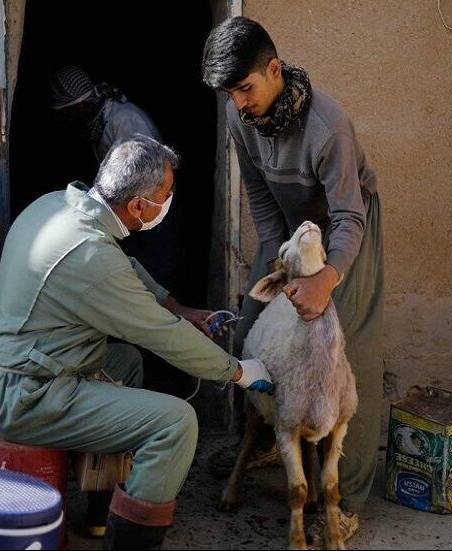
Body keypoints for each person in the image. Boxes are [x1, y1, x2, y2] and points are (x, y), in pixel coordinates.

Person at [0, 136, 273, 550]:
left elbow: (124, 268)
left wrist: (177, 306)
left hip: (29, 364)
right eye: (165, 195)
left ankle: (99, 511)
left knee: (125, 361)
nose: (168, 203)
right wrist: (237, 371)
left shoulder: (58, 205)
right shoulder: (90, 256)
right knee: (175, 423)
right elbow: (162, 334)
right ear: (138, 207)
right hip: (27, 395)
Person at [202, 16, 384, 542]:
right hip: (287, 230)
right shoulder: (242, 118)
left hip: (349, 230)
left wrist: (328, 278)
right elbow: (262, 201)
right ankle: (265, 441)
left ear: (274, 69)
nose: (238, 102)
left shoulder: (329, 128)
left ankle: (342, 497)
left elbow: (349, 216)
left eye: (245, 88)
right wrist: (273, 264)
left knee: (344, 347)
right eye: (230, 94)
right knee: (251, 328)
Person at [49, 65, 177, 289]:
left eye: (69, 112)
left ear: (80, 105)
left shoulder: (125, 120)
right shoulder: (98, 121)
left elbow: (148, 173)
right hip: (129, 210)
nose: (68, 119)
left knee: (154, 268)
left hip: (147, 205)